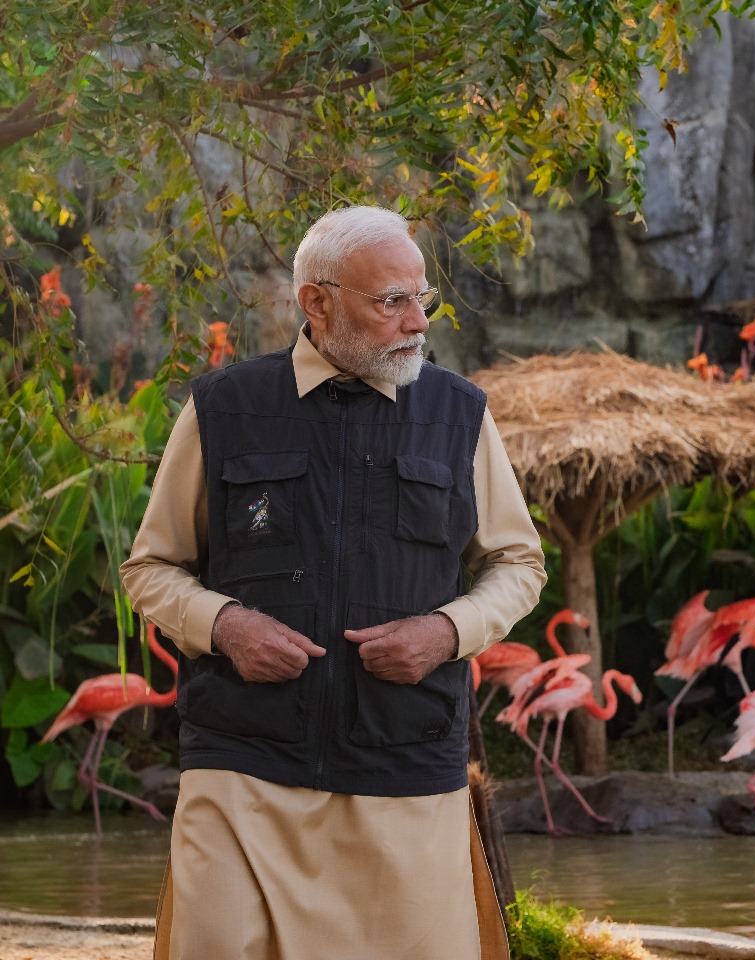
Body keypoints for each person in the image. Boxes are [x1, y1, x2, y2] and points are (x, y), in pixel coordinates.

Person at [120, 205, 546, 960]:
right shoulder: (223, 408)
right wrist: (224, 625)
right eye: (392, 302)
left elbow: (517, 565)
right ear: (315, 302)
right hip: (241, 767)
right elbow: (151, 567)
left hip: (405, 767)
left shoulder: (459, 414)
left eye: (423, 300)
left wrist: (446, 631)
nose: (417, 320)